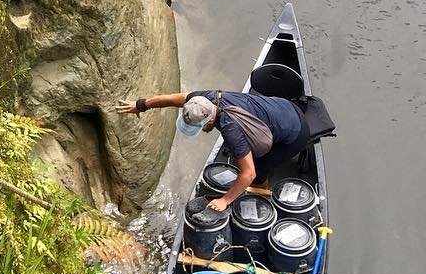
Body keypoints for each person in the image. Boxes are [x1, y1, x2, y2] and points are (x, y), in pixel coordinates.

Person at [115, 89, 313, 212]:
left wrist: (225, 200)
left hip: (295, 133)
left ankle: (260, 194)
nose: (200, 131)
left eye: (200, 127)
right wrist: (140, 105)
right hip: (282, 107)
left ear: (210, 120)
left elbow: (248, 172)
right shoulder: (204, 99)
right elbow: (173, 98)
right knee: (240, 155)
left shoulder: (230, 128)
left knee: (256, 171)